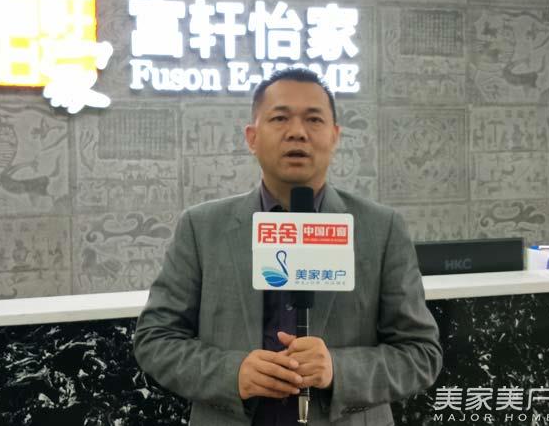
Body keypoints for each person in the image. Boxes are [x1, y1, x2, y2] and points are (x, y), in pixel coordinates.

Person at [134, 68, 442, 425]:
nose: (297, 131)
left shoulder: (381, 228)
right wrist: (232, 373)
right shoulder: (201, 228)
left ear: (335, 136)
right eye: (280, 118)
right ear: (252, 137)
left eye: (313, 119)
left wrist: (337, 369)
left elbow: (421, 354)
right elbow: (155, 339)